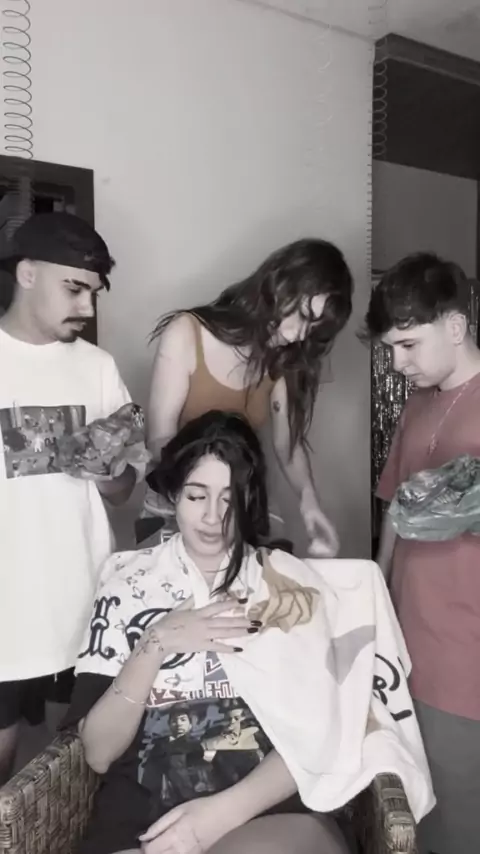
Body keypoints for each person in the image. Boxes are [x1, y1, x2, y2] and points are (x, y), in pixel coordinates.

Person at [63, 410, 433, 854]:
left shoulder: (287, 586)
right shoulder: (127, 585)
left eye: (230, 498)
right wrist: (156, 642)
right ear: (174, 494)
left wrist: (216, 817)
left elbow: (325, 731)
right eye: (197, 495)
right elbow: (98, 753)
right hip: (144, 818)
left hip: (265, 813)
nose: (213, 516)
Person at [0, 212, 136, 782]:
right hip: (7, 613)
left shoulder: (97, 368)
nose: (87, 307)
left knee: (79, 774)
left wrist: (108, 470)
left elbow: (123, 492)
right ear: (27, 274)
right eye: (74, 288)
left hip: (86, 608)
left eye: (94, 293)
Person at [364, 252, 480, 854]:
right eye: (391, 348)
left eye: (408, 345)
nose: (398, 362)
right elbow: (393, 507)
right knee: (410, 812)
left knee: (460, 820)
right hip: (406, 649)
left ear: (455, 326)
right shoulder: (417, 404)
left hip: (466, 662)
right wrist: (376, 599)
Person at [146, 238, 353, 557]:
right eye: (301, 315)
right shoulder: (186, 333)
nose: (297, 335)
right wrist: (203, 502)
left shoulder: (284, 359)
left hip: (243, 505)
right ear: (277, 285)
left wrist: (309, 501)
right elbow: (159, 438)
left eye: (313, 329)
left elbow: (287, 448)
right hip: (175, 500)